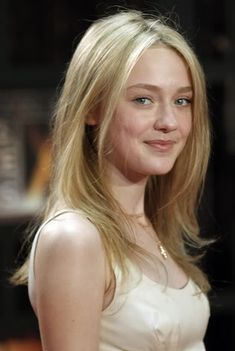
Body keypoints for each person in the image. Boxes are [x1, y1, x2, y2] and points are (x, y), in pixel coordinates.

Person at [12, 9, 212, 351]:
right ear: (92, 108)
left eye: (182, 100)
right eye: (143, 99)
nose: (169, 121)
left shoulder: (150, 225)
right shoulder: (74, 238)